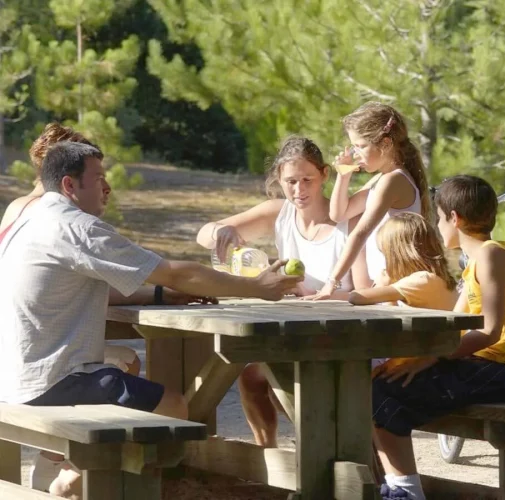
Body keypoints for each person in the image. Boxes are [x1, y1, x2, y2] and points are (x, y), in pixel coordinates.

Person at [0, 141, 301, 498]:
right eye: (99, 179)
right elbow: (177, 272)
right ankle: (76, 483)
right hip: (52, 382)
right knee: (173, 406)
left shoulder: (30, 219)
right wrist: (256, 287)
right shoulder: (76, 228)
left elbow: (99, 286)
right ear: (69, 185)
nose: (107, 187)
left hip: (13, 377)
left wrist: (163, 296)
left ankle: (75, 471)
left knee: (127, 368)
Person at [196, 135, 369, 448]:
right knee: (251, 376)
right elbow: (203, 235)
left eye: (307, 180)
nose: (299, 191)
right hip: (293, 329)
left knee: (279, 378)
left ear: (325, 175)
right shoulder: (279, 213)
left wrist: (321, 298)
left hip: (345, 332)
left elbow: (365, 290)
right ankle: (270, 457)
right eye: (291, 181)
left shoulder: (349, 222)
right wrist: (221, 232)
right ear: (279, 179)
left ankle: (323, 453)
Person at [371, 175, 505, 500]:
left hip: (501, 370)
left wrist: (431, 357)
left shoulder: (490, 256)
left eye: (439, 218)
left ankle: (405, 491)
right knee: (382, 379)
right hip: (485, 368)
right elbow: (450, 325)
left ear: (454, 218)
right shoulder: (477, 261)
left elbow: (489, 332)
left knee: (381, 393)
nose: (437, 225)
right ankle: (396, 484)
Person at [0, 122, 169, 377]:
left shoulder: (19, 209)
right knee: (125, 362)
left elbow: (67, 287)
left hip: (15, 343)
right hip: (28, 355)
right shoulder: (54, 218)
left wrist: (156, 293)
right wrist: (160, 292)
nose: (104, 185)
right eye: (95, 175)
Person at [311, 102, 431, 299]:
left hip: (396, 289)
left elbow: (360, 234)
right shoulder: (382, 179)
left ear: (385, 143)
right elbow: (338, 214)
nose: (355, 154)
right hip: (385, 285)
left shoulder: (394, 180)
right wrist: (343, 175)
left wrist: (331, 283)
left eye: (360, 146)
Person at [349, 212, 458, 374]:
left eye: (385, 253)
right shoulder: (431, 278)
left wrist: (382, 284)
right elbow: (394, 328)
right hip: (421, 359)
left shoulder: (423, 280)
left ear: (397, 254)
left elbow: (356, 297)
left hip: (426, 366)